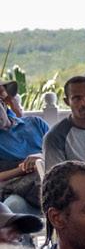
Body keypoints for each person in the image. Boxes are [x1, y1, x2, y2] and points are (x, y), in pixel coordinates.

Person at [0, 85, 47, 218]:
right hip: (19, 188)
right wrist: (25, 168)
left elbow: (58, 151)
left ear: (3, 105)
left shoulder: (35, 123)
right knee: (13, 205)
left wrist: (40, 157)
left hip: (49, 175)